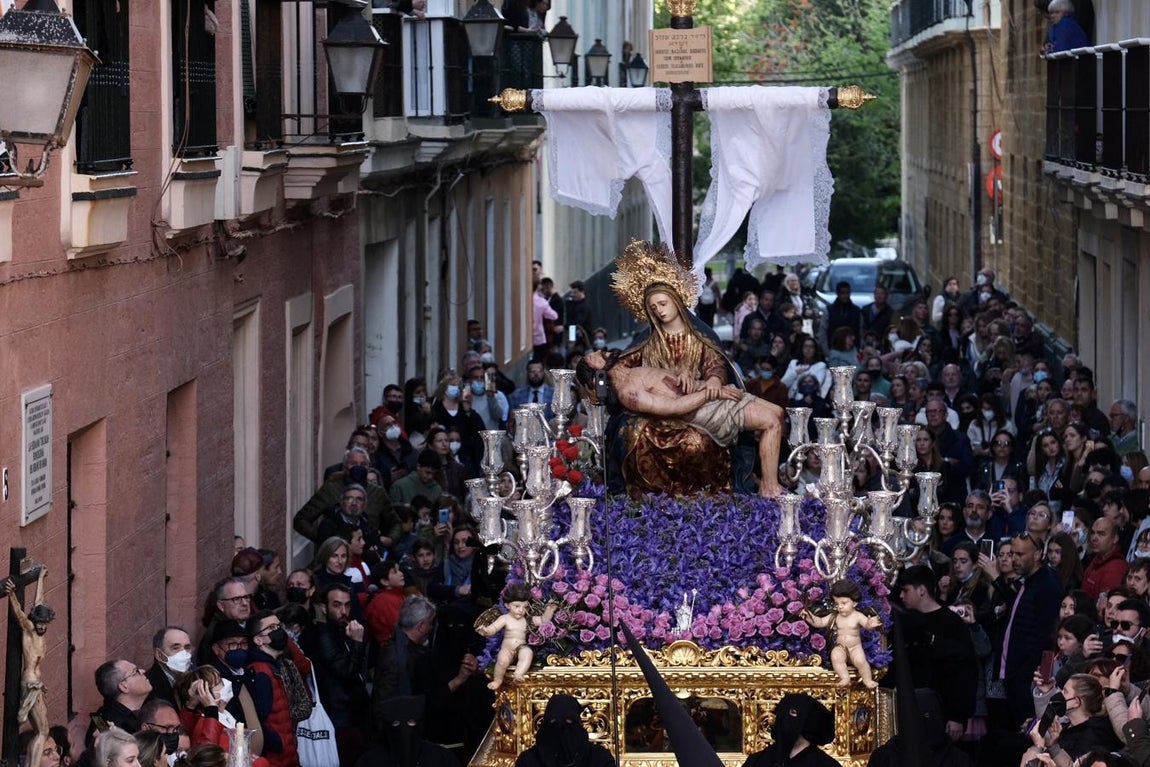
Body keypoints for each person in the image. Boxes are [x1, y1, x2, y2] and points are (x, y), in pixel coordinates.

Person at [608, 241, 737, 496]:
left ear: (676, 300)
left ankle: (697, 495)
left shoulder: (700, 337)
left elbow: (715, 364)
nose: (659, 310)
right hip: (653, 411)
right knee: (630, 433)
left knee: (697, 442)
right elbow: (621, 369)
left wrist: (712, 379)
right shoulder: (647, 341)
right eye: (653, 308)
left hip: (696, 407)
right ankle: (645, 496)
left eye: (663, 303)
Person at [578, 349, 784, 497]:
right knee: (771, 423)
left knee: (779, 412)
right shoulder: (628, 393)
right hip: (706, 408)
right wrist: (713, 394)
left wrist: (684, 374)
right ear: (596, 372)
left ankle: (768, 472)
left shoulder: (631, 370)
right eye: (593, 356)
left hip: (704, 392)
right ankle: (769, 488)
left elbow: (666, 377)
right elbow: (675, 407)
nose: (598, 352)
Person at [4, 566, 54, 767]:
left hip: (37, 682)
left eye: (45, 623)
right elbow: (20, 615)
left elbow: (38, 602)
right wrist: (11, 595)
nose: (42, 626)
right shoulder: (30, 630)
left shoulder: (39, 629)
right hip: (31, 682)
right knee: (43, 731)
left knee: (42, 730)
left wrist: (41, 577)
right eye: (40, 623)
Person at [475, 583, 557, 690]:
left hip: (521, 647)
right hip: (507, 648)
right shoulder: (505, 618)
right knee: (502, 661)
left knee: (528, 653)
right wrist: (486, 631)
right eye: (517, 606)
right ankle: (497, 680)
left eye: (524, 607)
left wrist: (549, 610)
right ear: (507, 605)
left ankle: (518, 674)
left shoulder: (527, 619)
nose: (521, 610)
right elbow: (493, 628)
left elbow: (543, 620)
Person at [801, 580, 882, 689]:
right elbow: (820, 622)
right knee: (835, 656)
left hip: (855, 648)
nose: (840, 606)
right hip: (841, 647)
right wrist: (809, 617)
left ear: (854, 602)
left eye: (844, 603)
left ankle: (867, 680)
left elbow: (867, 626)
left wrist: (870, 624)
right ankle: (845, 678)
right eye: (837, 603)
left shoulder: (857, 616)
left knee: (861, 661)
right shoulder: (835, 616)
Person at [514, 694, 616, 767]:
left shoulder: (599, 758)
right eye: (553, 721)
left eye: (568, 721)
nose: (561, 727)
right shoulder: (528, 760)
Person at [355, 695, 456, 767]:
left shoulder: (441, 757)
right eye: (396, 723)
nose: (404, 730)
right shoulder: (370, 761)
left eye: (411, 722)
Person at [741, 693, 838, 767]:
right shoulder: (757, 761)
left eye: (793, 712)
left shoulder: (826, 764)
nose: (784, 719)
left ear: (808, 721)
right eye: (782, 712)